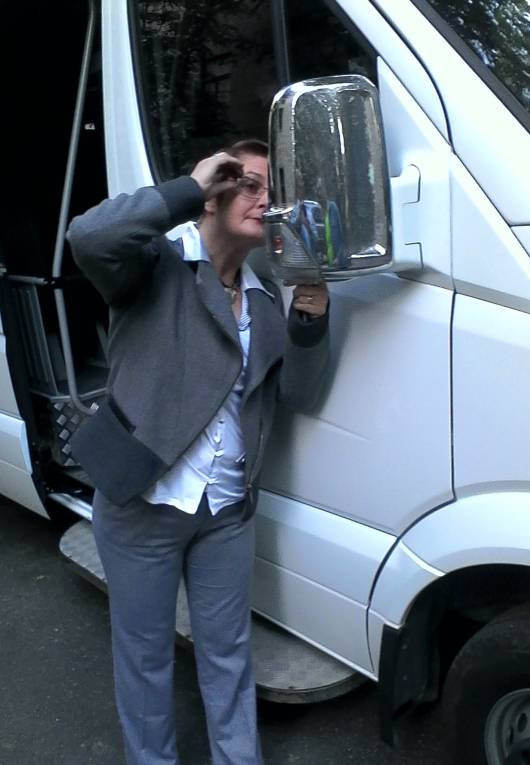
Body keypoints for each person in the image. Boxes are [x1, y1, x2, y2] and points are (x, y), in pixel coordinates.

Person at [65, 138, 329, 765]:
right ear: (212, 196)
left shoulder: (265, 300)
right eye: (248, 185)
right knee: (146, 659)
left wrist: (310, 318)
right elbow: (87, 237)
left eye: (272, 193)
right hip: (143, 504)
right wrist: (189, 187)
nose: (263, 201)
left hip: (226, 512)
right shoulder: (154, 264)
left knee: (228, 654)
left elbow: (297, 393)